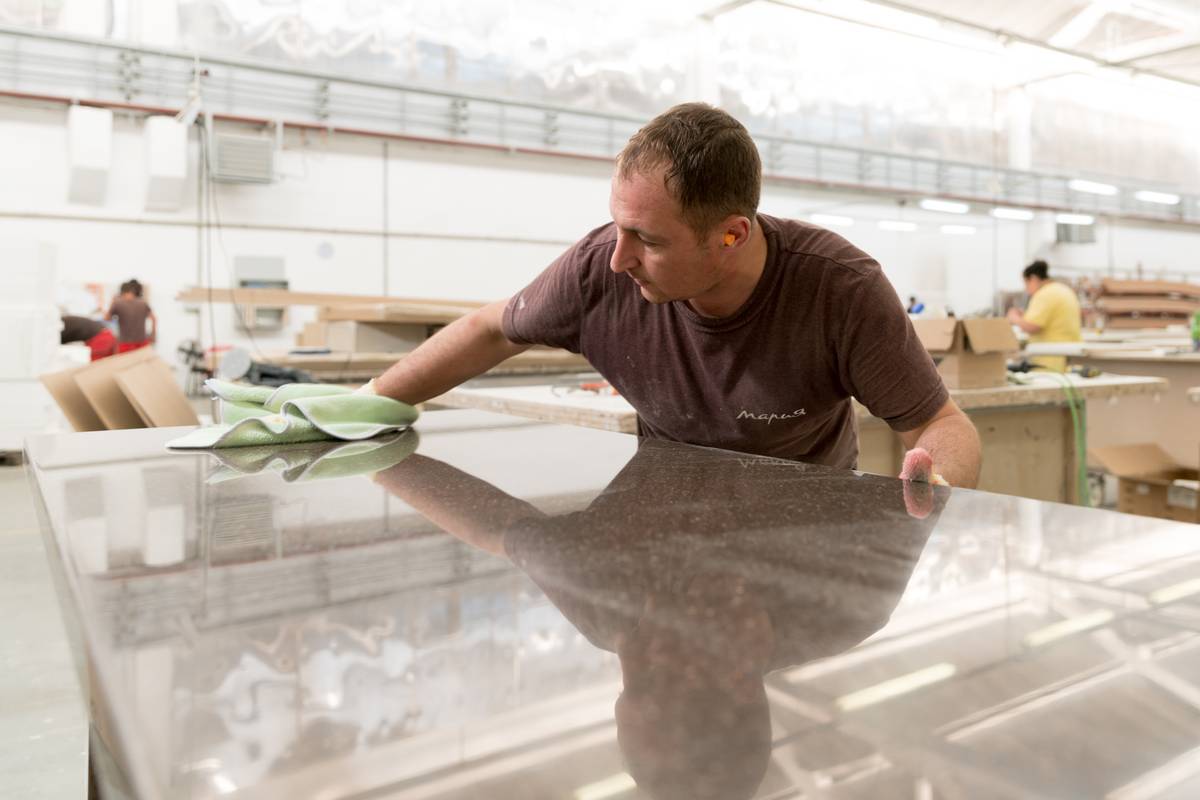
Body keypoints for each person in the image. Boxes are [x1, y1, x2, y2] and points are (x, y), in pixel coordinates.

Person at [363, 103, 981, 487]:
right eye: (618, 226)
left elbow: (941, 423)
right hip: (661, 514)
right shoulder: (599, 270)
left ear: (731, 235)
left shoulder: (839, 289)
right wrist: (362, 407)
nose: (619, 257)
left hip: (805, 526)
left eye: (648, 239)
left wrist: (940, 481)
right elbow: (491, 329)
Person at [373, 437, 942, 800]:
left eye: (628, 689)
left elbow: (500, 529)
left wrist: (371, 458)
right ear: (739, 685)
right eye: (651, 682)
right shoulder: (848, 603)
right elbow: (934, 485)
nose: (628, 657)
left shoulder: (607, 606)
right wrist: (932, 464)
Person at [1005, 260, 1082, 373]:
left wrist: (1014, 318)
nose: (1027, 290)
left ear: (1033, 279)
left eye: (1026, 284)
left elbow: (1032, 326)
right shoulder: (1063, 290)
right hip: (1069, 354)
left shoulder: (1044, 294)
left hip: (1050, 358)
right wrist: (1024, 317)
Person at [106, 279, 156, 354]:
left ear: (122, 292)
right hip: (142, 342)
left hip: (125, 344)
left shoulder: (118, 303)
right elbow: (154, 319)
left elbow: (107, 318)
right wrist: (153, 335)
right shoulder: (143, 303)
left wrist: (112, 302)